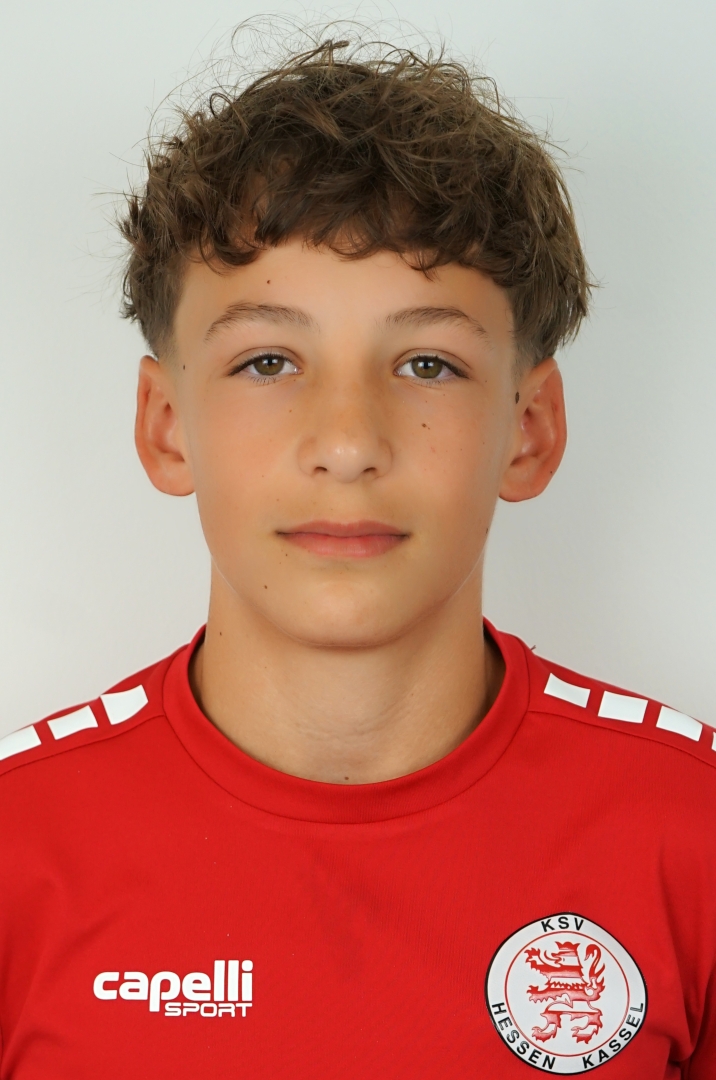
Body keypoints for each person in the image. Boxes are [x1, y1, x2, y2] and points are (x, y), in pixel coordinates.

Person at [0, 35, 713, 1079]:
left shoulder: (691, 834)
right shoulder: (19, 850)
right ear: (165, 426)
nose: (346, 443)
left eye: (427, 363)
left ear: (528, 430)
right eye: (268, 361)